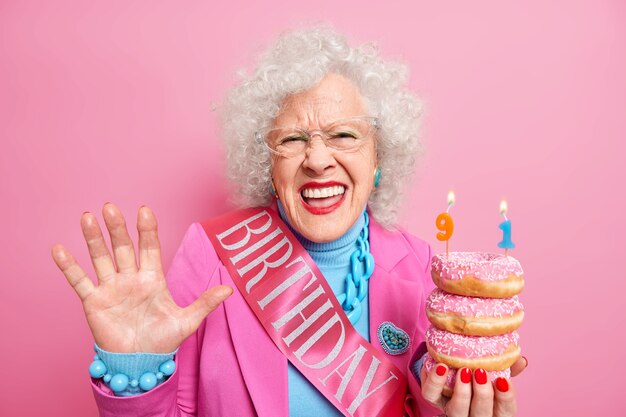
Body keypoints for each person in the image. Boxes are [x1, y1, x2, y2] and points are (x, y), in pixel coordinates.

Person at [51, 26, 525, 417]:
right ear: (269, 167)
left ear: (380, 158)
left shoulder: (422, 266)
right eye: (293, 139)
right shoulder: (211, 253)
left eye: (343, 134)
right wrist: (135, 370)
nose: (318, 160)